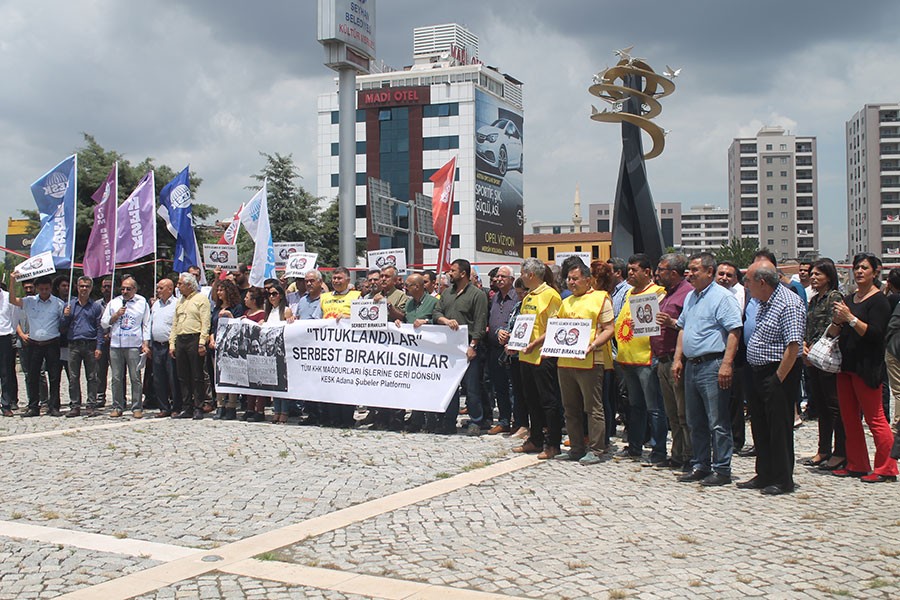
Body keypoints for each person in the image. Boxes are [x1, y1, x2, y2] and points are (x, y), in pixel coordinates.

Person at [826, 252, 898, 483]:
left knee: (875, 418)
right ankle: (857, 463)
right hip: (846, 365)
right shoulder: (849, 298)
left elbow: (876, 334)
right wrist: (837, 321)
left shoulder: (879, 301)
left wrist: (851, 319)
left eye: (864, 268)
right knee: (849, 418)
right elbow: (837, 330)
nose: (859, 271)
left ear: (875, 272)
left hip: (867, 366)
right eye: (857, 267)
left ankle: (887, 467)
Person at [673, 253, 743, 487]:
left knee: (717, 421)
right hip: (692, 365)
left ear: (709, 272)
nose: (689, 274)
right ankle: (700, 464)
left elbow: (734, 330)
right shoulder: (692, 297)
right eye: (689, 270)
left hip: (713, 365)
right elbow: (683, 329)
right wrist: (678, 359)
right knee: (696, 420)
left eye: (694, 270)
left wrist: (726, 363)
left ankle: (722, 468)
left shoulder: (723, 298)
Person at [738, 259, 805, 495]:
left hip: (779, 372)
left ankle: (782, 478)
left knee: (779, 427)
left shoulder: (788, 303)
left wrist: (777, 379)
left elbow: (794, 346)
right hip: (757, 370)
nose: (745, 285)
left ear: (762, 282)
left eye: (748, 280)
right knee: (760, 425)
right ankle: (764, 473)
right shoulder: (763, 301)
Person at [554, 262, 615, 464]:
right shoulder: (566, 301)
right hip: (565, 361)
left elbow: (609, 328)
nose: (571, 282)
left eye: (575, 278)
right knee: (570, 408)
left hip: (590, 361)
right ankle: (576, 447)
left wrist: (594, 344)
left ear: (588, 279)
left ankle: (597, 449)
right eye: (569, 279)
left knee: (593, 408)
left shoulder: (600, 298)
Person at [614, 254, 667, 463]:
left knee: (654, 407)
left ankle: (658, 449)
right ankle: (635, 446)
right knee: (635, 406)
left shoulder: (658, 293)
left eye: (635, 270)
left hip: (646, 359)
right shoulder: (629, 294)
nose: (630, 273)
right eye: (629, 269)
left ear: (647, 272)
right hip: (627, 359)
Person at [512, 258, 562, 458]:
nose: (521, 277)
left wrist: (535, 343)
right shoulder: (529, 296)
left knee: (548, 401)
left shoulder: (550, 295)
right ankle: (535, 439)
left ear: (530, 275)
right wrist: (515, 343)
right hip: (526, 356)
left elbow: (554, 325)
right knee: (530, 399)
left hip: (543, 356)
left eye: (522, 273)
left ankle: (553, 443)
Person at [433, 259, 489, 436]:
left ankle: (476, 421)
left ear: (463, 273)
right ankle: (449, 422)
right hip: (449, 347)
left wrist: (473, 346)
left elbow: (480, 323)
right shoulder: (447, 294)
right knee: (450, 387)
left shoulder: (477, 295)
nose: (450, 274)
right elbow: (436, 312)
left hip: (468, 346)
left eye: (453, 271)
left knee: (472, 388)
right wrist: (445, 320)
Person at [803, 259, 845, 470]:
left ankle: (839, 451)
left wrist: (817, 346)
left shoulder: (834, 297)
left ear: (829, 276)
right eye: (812, 274)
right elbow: (808, 324)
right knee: (821, 406)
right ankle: (823, 449)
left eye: (818, 274)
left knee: (833, 406)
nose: (813, 277)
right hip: (813, 358)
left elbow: (834, 325)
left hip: (827, 357)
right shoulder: (813, 300)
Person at [652, 253, 693, 471]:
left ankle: (689, 455)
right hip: (661, 360)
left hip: (677, 360)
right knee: (672, 413)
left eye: (661, 270)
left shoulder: (687, 294)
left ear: (674, 273)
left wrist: (672, 322)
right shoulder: (665, 294)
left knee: (683, 412)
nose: (657, 273)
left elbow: (688, 326)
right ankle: (677, 454)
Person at [9, 274, 64, 417]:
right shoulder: (29, 301)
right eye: (41, 289)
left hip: (52, 343)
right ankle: (33, 406)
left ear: (51, 288)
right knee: (33, 376)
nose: (44, 292)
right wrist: (12, 281)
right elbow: (12, 300)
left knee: (54, 376)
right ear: (37, 288)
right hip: (34, 344)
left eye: (46, 289)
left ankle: (53, 406)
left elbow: (63, 322)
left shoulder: (58, 303)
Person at [317, 267, 361, 427]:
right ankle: (330, 418)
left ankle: (346, 419)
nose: (336, 281)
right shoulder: (324, 297)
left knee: (345, 383)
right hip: (327, 347)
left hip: (347, 348)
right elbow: (316, 318)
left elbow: (364, 317)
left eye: (339, 278)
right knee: (329, 383)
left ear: (348, 280)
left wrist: (348, 317)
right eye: (334, 278)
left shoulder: (356, 296)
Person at [101, 276, 151, 418]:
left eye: (128, 289)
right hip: (116, 344)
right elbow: (104, 323)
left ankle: (137, 407)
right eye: (122, 288)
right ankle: (117, 406)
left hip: (134, 345)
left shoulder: (142, 302)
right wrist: (116, 315)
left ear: (134, 289)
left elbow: (146, 324)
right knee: (116, 377)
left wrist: (145, 343)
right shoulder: (114, 302)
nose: (125, 291)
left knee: (135, 377)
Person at [61, 276, 104, 417]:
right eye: (81, 286)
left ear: (91, 288)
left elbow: (99, 328)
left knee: (92, 377)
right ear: (77, 287)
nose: (84, 289)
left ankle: (91, 405)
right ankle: (75, 405)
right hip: (73, 345)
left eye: (87, 286)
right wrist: (65, 316)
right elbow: (62, 327)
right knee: (73, 377)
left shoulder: (96, 307)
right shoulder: (70, 305)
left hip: (90, 345)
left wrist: (99, 346)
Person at [171, 273, 211, 420]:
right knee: (183, 375)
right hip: (181, 339)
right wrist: (172, 343)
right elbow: (175, 322)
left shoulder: (201, 299)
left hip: (194, 338)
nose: (178, 286)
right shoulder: (180, 301)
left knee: (197, 375)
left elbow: (205, 322)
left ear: (189, 285)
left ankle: (198, 406)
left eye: (180, 283)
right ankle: (186, 406)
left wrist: (202, 342)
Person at [485, 266, 517, 435]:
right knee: (500, 387)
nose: (498, 279)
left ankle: (517, 422)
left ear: (511, 279)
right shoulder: (495, 298)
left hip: (513, 350)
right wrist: (497, 331)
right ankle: (504, 420)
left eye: (503, 276)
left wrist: (510, 335)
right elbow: (492, 320)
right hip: (496, 349)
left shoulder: (518, 297)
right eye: (497, 276)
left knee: (515, 388)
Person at [210, 279, 245, 420]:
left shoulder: (237, 307)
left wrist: (229, 315)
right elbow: (212, 327)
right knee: (218, 376)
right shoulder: (216, 309)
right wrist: (211, 339)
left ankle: (231, 405)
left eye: (221, 290)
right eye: (217, 290)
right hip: (217, 347)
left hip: (231, 347)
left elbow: (239, 324)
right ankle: (220, 405)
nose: (219, 293)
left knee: (231, 376)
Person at [149, 278, 180, 418]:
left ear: (170, 289)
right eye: (157, 288)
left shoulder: (177, 304)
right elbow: (150, 324)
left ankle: (176, 406)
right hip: (156, 346)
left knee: (173, 377)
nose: (158, 291)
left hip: (170, 346)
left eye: (161, 288)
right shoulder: (155, 305)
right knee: (158, 378)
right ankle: (163, 407)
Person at [265, 283, 293, 423]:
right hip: (271, 351)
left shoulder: (286, 310)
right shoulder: (269, 312)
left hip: (283, 351)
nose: (271, 297)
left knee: (283, 382)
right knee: (274, 383)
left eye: (274, 293)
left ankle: (284, 411)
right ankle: (276, 410)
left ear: (281, 295)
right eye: (269, 294)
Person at [240, 287, 268, 423]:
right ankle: (249, 408)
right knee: (248, 381)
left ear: (254, 300)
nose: (245, 299)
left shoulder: (261, 314)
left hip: (258, 352)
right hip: (247, 351)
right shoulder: (246, 312)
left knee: (259, 381)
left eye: (247, 297)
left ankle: (260, 409)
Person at [0, 282, 19, 417]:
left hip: (4, 336)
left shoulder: (7, 297)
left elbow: (14, 317)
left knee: (6, 372)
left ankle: (6, 404)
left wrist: (10, 332)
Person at [95, 277, 113, 407]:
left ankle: (120, 398)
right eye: (105, 286)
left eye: (109, 286)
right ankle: (100, 397)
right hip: (100, 342)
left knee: (118, 372)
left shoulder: (118, 303)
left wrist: (110, 334)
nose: (107, 289)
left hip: (115, 341)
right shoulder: (96, 305)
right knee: (100, 371)